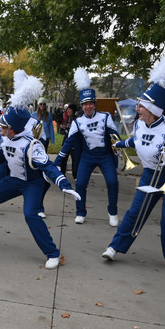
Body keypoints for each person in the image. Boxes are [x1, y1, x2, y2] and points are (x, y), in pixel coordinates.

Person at [102, 48, 165, 275]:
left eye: (141, 106)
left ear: (152, 109)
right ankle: (115, 247)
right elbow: (137, 139)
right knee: (135, 213)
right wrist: (121, 144)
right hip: (150, 175)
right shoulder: (141, 124)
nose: (137, 109)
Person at [0, 106, 80, 269]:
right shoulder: (6, 138)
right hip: (13, 180)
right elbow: (0, 157)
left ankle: (53, 254)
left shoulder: (32, 145)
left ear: (13, 129)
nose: (0, 127)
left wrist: (64, 185)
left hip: (32, 184)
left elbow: (48, 166)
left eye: (3, 126)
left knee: (31, 214)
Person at [55, 69, 120, 226]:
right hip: (87, 156)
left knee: (112, 182)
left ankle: (112, 211)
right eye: (85, 104)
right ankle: (80, 212)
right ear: (82, 106)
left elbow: (115, 137)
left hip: (105, 155)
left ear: (94, 104)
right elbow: (69, 142)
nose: (88, 107)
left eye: (91, 103)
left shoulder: (105, 117)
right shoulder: (77, 122)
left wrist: (119, 146)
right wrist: (58, 160)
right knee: (81, 184)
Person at [58, 104, 80, 179]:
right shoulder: (67, 118)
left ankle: (76, 175)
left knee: (75, 159)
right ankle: (62, 174)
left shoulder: (77, 119)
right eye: (67, 109)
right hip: (66, 140)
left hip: (74, 142)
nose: (68, 111)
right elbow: (63, 127)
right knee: (64, 158)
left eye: (70, 109)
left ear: (73, 111)